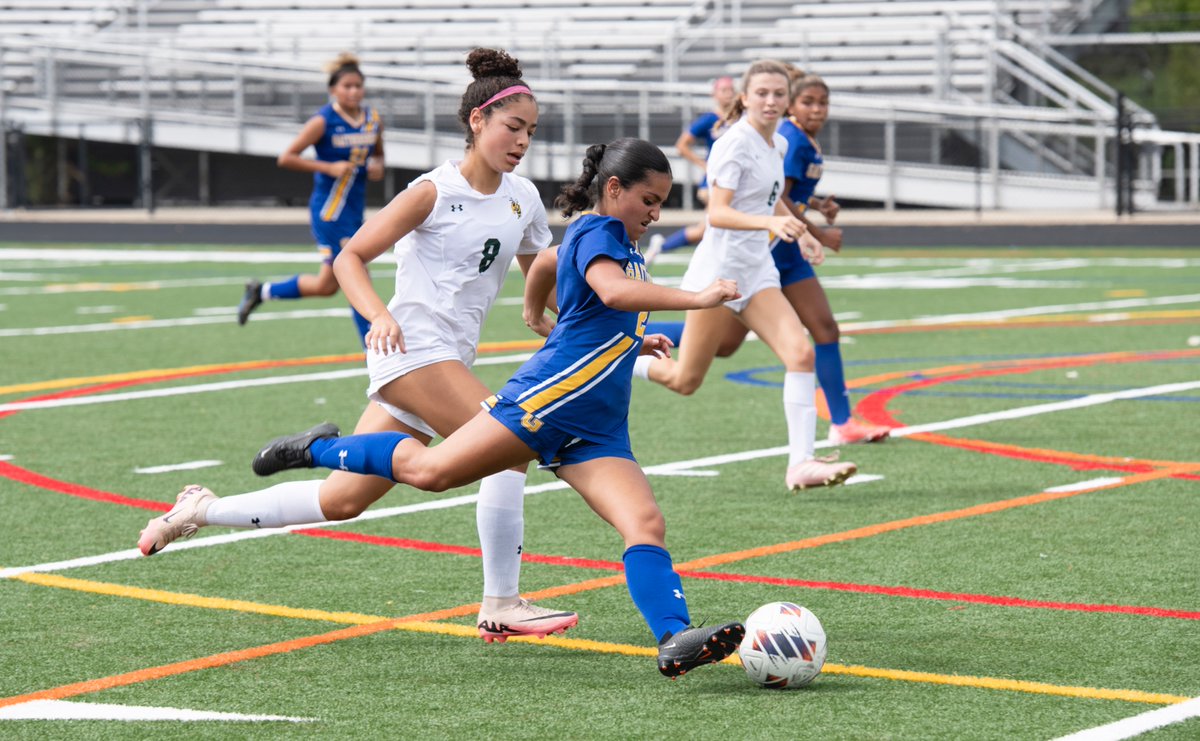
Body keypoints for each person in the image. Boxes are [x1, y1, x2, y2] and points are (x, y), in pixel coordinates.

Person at [241, 138, 746, 679]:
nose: (656, 213)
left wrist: (564, 321)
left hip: (598, 426)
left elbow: (548, 263)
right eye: (650, 200)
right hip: (545, 402)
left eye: (661, 203)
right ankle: (320, 448)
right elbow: (613, 293)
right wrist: (699, 298)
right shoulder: (599, 231)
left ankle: (674, 637)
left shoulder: (617, 241)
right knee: (431, 472)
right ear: (615, 188)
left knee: (644, 522)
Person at [140, 48, 580, 643]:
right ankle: (500, 602)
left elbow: (538, 273)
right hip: (414, 350)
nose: (523, 140)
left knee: (342, 501)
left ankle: (199, 509)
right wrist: (378, 315)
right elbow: (350, 257)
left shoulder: (522, 196)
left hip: (446, 360)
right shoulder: (432, 191)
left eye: (531, 130)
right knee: (507, 444)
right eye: (513, 126)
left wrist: (569, 319)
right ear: (478, 121)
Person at [632, 60, 859, 491]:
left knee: (800, 354)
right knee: (685, 380)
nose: (771, 101)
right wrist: (772, 224)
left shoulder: (778, 144)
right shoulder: (732, 144)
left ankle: (801, 463)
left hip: (757, 272)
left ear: (787, 100)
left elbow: (773, 199)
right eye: (762, 93)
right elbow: (718, 213)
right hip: (718, 275)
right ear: (744, 98)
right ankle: (622, 358)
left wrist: (803, 234)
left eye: (778, 94)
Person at [236, 52, 384, 343]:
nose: (354, 91)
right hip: (330, 210)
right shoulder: (322, 120)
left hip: (354, 209)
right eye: (347, 86)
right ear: (333, 90)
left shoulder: (373, 119)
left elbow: (378, 156)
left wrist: (378, 166)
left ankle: (262, 292)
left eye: (358, 86)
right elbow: (286, 157)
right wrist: (328, 167)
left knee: (326, 286)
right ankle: (372, 347)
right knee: (357, 272)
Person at [641, 76, 735, 263]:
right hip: (715, 180)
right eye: (724, 90)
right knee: (715, 226)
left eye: (731, 90)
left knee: (711, 228)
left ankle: (662, 246)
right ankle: (664, 246)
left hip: (733, 179)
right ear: (714, 94)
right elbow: (682, 145)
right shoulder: (710, 119)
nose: (729, 94)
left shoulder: (740, 119)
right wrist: (704, 165)